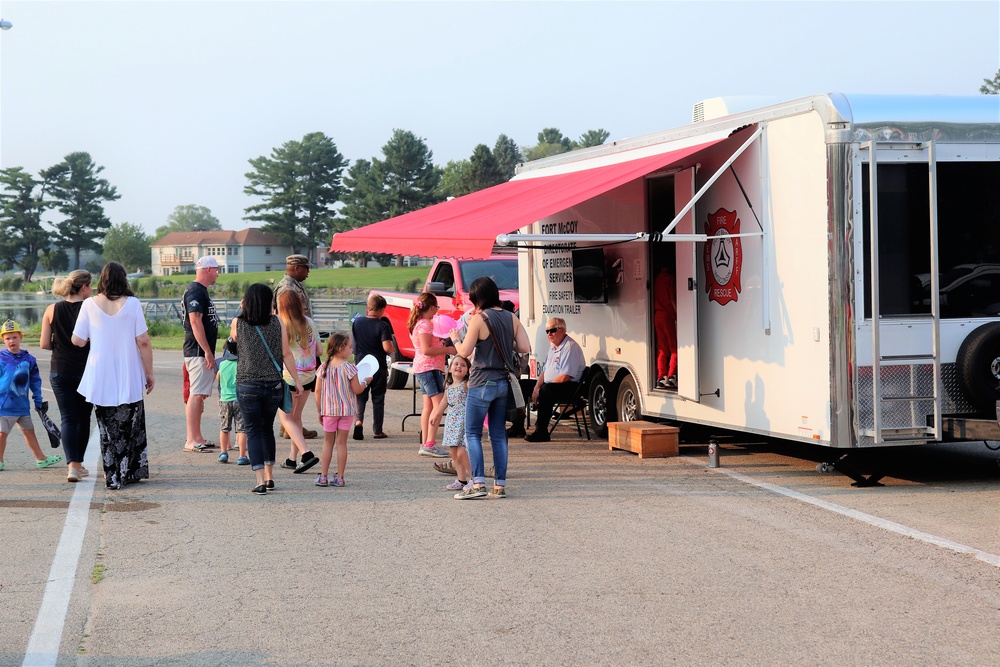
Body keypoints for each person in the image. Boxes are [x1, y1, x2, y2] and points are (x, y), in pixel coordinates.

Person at [72, 262, 154, 490]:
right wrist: (149, 372)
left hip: (101, 373)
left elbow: (77, 340)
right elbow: (144, 341)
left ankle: (113, 475)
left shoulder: (89, 304)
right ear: (123, 279)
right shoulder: (133, 304)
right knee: (130, 424)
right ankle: (129, 470)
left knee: (107, 428)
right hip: (128, 371)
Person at [449, 276, 530, 499]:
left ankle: (478, 485)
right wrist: (506, 341)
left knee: (473, 433)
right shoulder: (511, 317)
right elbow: (524, 346)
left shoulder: (479, 319)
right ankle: (500, 485)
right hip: (502, 382)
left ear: (478, 299)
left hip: (481, 382)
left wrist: (456, 339)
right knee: (498, 434)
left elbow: (464, 352)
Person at [229, 283, 304, 495]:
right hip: (273, 385)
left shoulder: (238, 322)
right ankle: (271, 477)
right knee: (267, 429)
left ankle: (260, 480)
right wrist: (297, 381)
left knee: (252, 431)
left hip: (247, 384)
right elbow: (286, 353)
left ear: (247, 301)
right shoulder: (276, 321)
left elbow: (232, 348)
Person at [40, 270, 93, 482]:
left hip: (59, 370)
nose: (92, 289)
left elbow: (44, 343)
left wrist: (61, 346)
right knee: (84, 418)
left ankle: (72, 466)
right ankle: (79, 464)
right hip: (86, 370)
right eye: (91, 286)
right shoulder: (90, 309)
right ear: (83, 288)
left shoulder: (52, 309)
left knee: (67, 418)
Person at [0, 319, 59, 472]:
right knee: (2, 434)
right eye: (7, 338)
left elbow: (35, 381)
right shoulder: (1, 359)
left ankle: (41, 459)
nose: (11, 341)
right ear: (3, 339)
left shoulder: (29, 359)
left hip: (22, 405)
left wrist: (38, 399)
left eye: (14, 337)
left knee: (29, 432)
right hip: (4, 405)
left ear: (21, 337)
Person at [313, 332, 371, 487]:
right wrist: (366, 382)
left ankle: (323, 476)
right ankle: (340, 477)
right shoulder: (350, 368)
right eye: (350, 347)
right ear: (340, 348)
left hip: (329, 411)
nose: (352, 350)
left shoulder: (323, 367)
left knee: (327, 443)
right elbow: (357, 390)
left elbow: (317, 392)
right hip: (346, 411)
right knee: (341, 444)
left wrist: (320, 410)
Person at [275, 290, 321, 472]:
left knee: (286, 418)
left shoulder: (282, 325)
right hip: (309, 375)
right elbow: (319, 351)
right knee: (297, 418)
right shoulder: (309, 322)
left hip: (290, 376)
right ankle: (292, 458)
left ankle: (306, 453)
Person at [273, 253, 317, 440]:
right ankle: (290, 424)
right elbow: (285, 317)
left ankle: (290, 424)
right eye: (306, 268)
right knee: (295, 387)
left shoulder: (292, 285)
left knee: (295, 389)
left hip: (299, 341)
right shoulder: (287, 288)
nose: (308, 272)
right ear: (297, 267)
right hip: (294, 344)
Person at [523, 317, 587, 443]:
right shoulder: (553, 347)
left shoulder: (570, 347)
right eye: (547, 331)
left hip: (569, 387)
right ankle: (518, 425)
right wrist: (536, 388)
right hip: (552, 385)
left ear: (562, 330)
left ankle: (541, 432)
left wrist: (541, 389)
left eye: (552, 330)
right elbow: (545, 372)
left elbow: (565, 377)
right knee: (522, 384)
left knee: (546, 390)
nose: (549, 334)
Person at [408, 292, 456, 458]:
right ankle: (430, 443)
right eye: (437, 307)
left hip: (423, 368)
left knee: (428, 407)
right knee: (439, 405)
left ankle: (426, 442)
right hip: (430, 368)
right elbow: (427, 350)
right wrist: (447, 349)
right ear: (432, 307)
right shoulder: (426, 325)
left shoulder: (418, 323)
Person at [182, 256, 221, 452]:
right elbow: (195, 321)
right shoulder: (196, 291)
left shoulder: (201, 291)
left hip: (201, 351)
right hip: (197, 351)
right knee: (196, 395)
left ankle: (198, 436)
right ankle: (191, 439)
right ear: (207, 270)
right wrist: (206, 351)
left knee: (200, 394)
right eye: (216, 269)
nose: (217, 273)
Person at [350, 291, 393, 440]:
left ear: (368, 308)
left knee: (360, 396)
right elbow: (387, 347)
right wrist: (392, 349)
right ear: (381, 309)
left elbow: (353, 346)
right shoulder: (383, 325)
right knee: (378, 399)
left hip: (361, 365)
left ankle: (358, 422)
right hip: (379, 367)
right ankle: (377, 430)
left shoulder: (357, 322)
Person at [429, 355, 472, 492]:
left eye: (463, 365)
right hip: (452, 423)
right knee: (454, 453)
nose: (459, 366)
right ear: (449, 369)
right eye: (456, 364)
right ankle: (461, 480)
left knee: (462, 452)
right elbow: (443, 403)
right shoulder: (448, 387)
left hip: (464, 422)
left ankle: (474, 478)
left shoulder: (466, 384)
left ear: (468, 371)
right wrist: (436, 415)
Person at [216, 337, 248, 465]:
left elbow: (218, 378)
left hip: (225, 399)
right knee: (241, 429)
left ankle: (223, 452)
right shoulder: (241, 365)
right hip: (239, 399)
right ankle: (242, 455)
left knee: (224, 427)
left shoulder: (222, 364)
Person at [653, 262, 678, 390]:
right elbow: (672, 298)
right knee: (674, 347)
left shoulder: (657, 278)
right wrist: (678, 314)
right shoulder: (670, 279)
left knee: (662, 349)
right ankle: (672, 375)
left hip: (657, 316)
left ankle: (661, 377)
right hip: (668, 316)